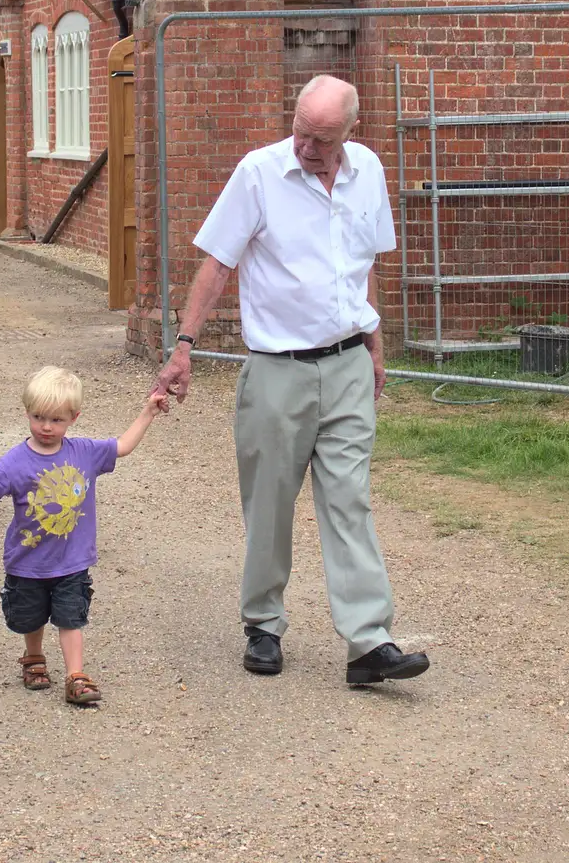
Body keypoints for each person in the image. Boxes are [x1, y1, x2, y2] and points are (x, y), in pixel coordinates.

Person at [152, 74, 429, 687]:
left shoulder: (369, 173)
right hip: (278, 369)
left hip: (349, 364)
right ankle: (264, 625)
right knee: (271, 501)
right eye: (301, 132)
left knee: (349, 500)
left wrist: (375, 347)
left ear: (350, 133)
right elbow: (217, 263)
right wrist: (184, 349)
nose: (306, 146)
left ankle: (368, 642)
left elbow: (366, 268)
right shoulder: (258, 173)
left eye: (322, 139)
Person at [0, 365, 167, 705]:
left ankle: (75, 676)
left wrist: (147, 413)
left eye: (56, 420)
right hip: (27, 563)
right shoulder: (15, 461)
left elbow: (123, 446)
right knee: (30, 616)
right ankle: (34, 658)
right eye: (38, 417)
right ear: (26, 413)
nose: (46, 427)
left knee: (71, 617)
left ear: (73, 418)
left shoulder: (84, 452)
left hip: (72, 561)